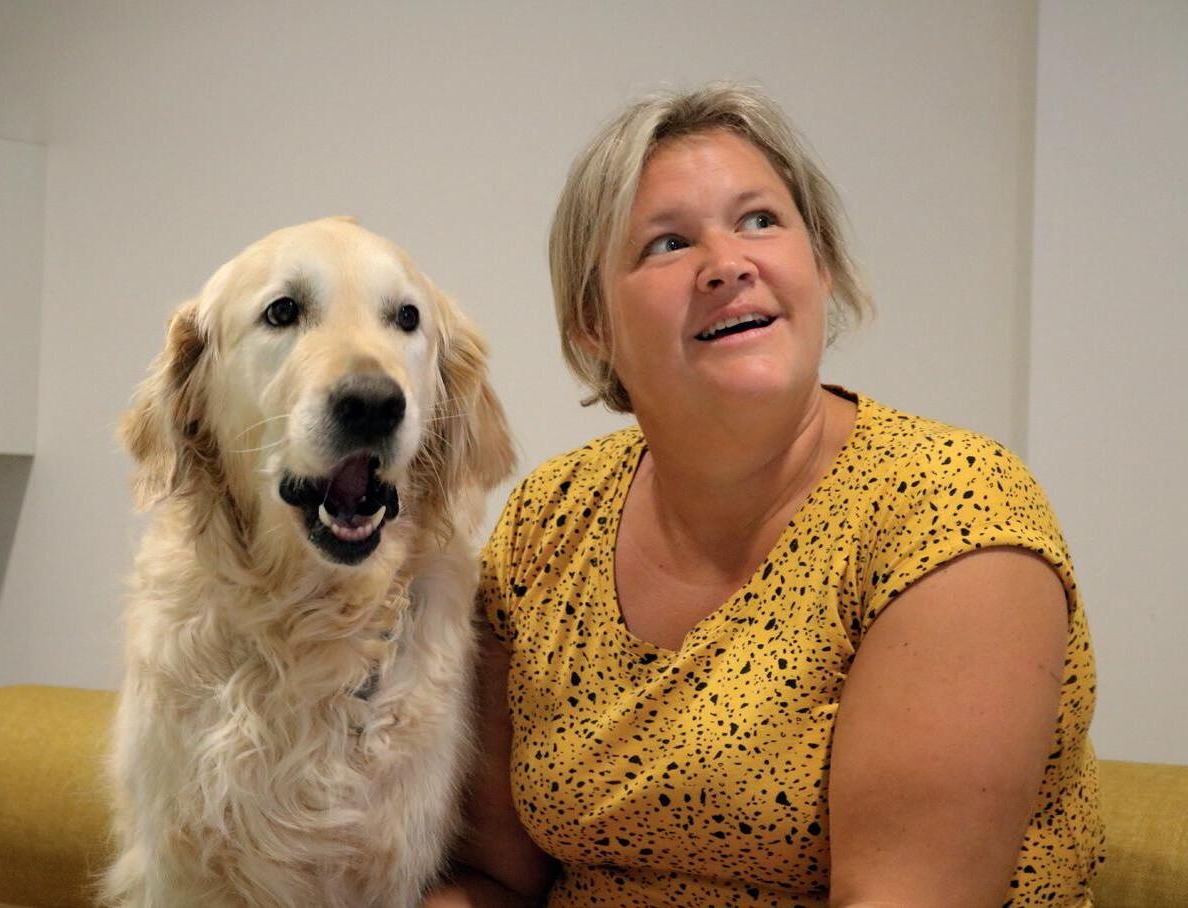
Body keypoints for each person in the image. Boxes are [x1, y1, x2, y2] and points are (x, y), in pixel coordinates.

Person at [425, 83, 1101, 907]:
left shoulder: (952, 511)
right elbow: (496, 879)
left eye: (759, 221)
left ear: (820, 265)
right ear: (592, 325)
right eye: (669, 243)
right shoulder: (550, 516)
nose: (727, 264)